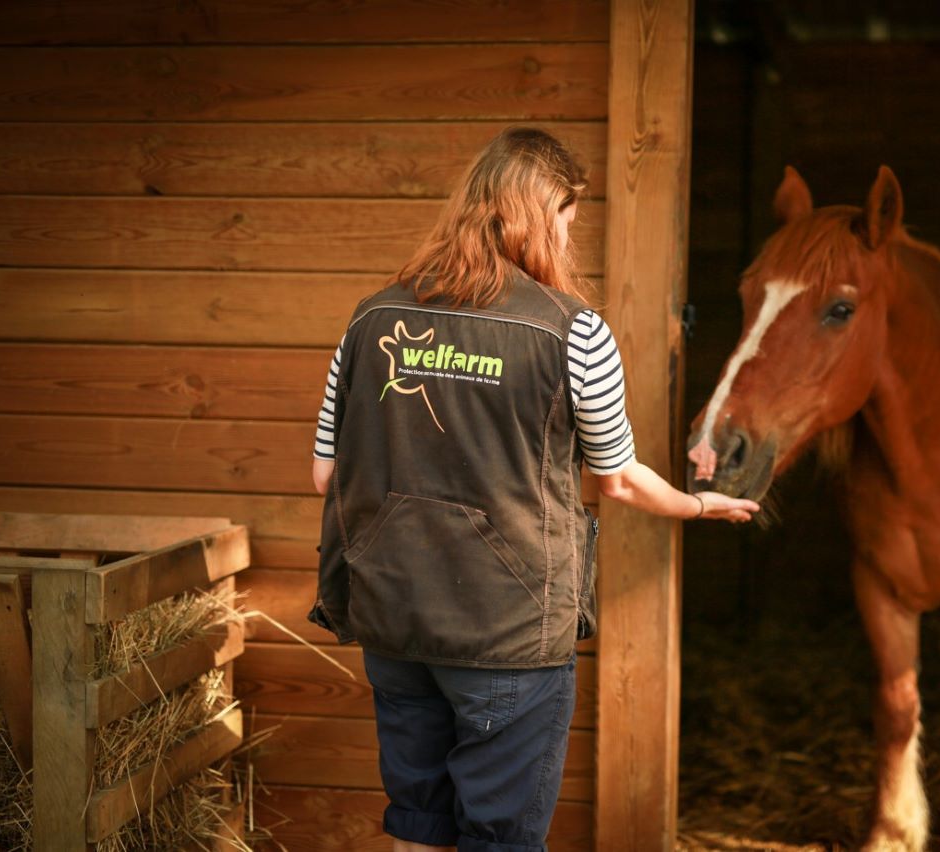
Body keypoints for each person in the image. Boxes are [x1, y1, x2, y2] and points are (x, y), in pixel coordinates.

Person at [307, 126, 758, 852]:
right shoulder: (574, 333)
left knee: (417, 819)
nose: (568, 241)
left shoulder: (371, 317)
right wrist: (700, 503)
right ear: (539, 217)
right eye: (567, 223)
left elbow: (325, 473)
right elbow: (616, 477)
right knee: (502, 837)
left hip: (392, 617)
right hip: (507, 632)